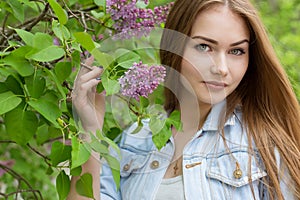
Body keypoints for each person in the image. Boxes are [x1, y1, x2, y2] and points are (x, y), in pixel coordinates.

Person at [68, 0, 300, 199]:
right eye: (204, 47)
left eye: (236, 51)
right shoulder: (133, 142)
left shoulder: (264, 144)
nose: (221, 68)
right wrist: (90, 130)